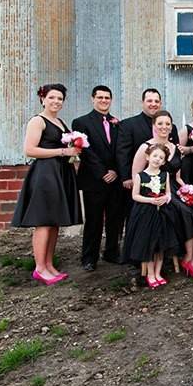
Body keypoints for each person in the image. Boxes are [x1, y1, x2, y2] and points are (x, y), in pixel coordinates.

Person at [12, 84, 82, 285]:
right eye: (52, 97)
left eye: (60, 98)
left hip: (61, 173)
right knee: (44, 221)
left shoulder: (59, 122)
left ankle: (49, 264)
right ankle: (39, 268)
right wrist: (62, 152)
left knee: (54, 221)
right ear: (43, 98)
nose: (56, 102)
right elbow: (30, 150)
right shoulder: (38, 121)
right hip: (45, 174)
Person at [132, 111, 193, 282]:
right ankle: (186, 257)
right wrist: (152, 198)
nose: (164, 127)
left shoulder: (176, 147)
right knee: (186, 212)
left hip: (174, 189)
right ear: (154, 126)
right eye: (160, 123)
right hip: (156, 193)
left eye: (167, 124)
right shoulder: (146, 147)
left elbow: (178, 177)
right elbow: (137, 175)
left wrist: (188, 190)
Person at [71, 85, 123, 271]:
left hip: (115, 178)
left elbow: (121, 150)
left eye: (107, 98)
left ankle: (111, 251)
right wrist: (102, 173)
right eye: (100, 97)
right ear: (93, 99)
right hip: (94, 179)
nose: (103, 100)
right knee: (94, 220)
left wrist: (115, 171)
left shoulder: (117, 123)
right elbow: (86, 151)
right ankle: (89, 257)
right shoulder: (81, 122)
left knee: (114, 219)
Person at [123, 143, 178, 289]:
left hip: (162, 214)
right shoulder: (140, 176)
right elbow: (135, 196)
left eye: (161, 157)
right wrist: (151, 200)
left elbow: (168, 193)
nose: (157, 159)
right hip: (145, 214)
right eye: (155, 156)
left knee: (160, 246)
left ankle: (159, 273)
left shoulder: (165, 175)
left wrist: (165, 198)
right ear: (148, 156)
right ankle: (150, 274)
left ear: (164, 161)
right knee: (149, 245)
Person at [116, 88, 179, 194]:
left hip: (167, 182)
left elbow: (175, 152)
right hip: (140, 180)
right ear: (142, 102)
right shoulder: (128, 124)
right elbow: (123, 152)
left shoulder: (171, 127)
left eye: (156, 101)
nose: (153, 104)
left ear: (160, 103)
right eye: (149, 101)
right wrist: (126, 177)